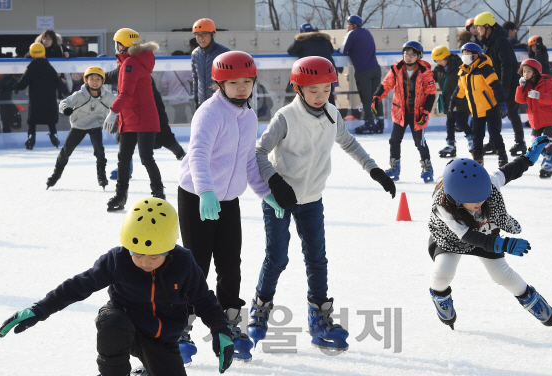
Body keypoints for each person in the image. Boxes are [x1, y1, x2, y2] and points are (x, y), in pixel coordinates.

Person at [247, 56, 396, 353]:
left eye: (326, 89)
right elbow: (259, 152)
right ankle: (261, 306)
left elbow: (349, 143)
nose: (320, 96)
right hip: (279, 199)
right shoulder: (286, 117)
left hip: (312, 199)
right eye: (313, 90)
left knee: (317, 258)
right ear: (298, 88)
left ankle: (319, 315)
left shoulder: (331, 113)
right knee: (277, 258)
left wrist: (374, 169)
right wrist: (275, 182)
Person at [0, 197, 235, 376]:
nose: (144, 262)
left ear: (169, 248)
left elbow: (204, 300)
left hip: (161, 339)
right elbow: (79, 286)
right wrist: (40, 309)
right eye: (138, 254)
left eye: (154, 257)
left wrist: (220, 329)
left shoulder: (183, 262)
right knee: (112, 322)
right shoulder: (118, 260)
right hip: (124, 325)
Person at [177, 51, 279, 362]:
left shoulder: (248, 116)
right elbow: (197, 155)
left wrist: (266, 193)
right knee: (196, 265)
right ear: (220, 83)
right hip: (197, 197)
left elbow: (249, 160)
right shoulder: (209, 113)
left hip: (229, 200)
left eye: (247, 82)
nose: (241, 88)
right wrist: (206, 192)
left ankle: (230, 325)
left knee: (230, 264)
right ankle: (181, 327)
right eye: (233, 82)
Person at [427, 143, 552, 331]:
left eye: (483, 196)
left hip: (485, 231)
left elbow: (509, 171)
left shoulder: (487, 183)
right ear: (456, 198)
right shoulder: (443, 206)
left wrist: (528, 158)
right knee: (442, 274)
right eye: (474, 200)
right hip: (452, 239)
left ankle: (532, 300)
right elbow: (467, 236)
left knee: (502, 275)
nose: (480, 202)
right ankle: (440, 296)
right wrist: (503, 244)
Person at [102, 28, 166, 212]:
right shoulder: (127, 63)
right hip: (130, 117)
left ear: (122, 44)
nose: (115, 46)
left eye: (116, 43)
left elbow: (126, 94)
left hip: (143, 118)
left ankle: (159, 195)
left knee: (146, 158)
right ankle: (120, 196)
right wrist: (119, 117)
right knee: (123, 158)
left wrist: (113, 112)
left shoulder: (131, 63)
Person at [372, 41, 437, 183]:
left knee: (420, 142)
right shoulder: (397, 69)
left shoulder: (425, 72)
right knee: (394, 140)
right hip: (400, 113)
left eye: (412, 54)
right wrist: (376, 98)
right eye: (406, 53)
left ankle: (427, 168)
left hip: (417, 114)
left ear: (419, 56)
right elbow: (386, 84)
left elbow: (431, 94)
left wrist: (425, 112)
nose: (408, 57)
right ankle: (394, 168)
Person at [45, 67, 116, 190]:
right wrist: (66, 109)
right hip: (78, 126)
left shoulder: (108, 96)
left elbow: (121, 104)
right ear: (86, 80)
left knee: (100, 151)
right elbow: (63, 103)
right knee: (66, 151)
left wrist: (116, 120)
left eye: (98, 79)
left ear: (102, 81)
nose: (95, 81)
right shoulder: (79, 95)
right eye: (92, 79)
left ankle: (102, 177)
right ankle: (55, 176)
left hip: (96, 126)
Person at [475, 12, 527, 157]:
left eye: (479, 27)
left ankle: (520, 142)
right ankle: (493, 142)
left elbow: (507, 64)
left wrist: (504, 88)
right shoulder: (491, 40)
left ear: (487, 26)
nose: (478, 30)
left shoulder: (500, 41)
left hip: (508, 83)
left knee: (511, 112)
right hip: (497, 83)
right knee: (495, 113)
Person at [450, 43, 508, 167]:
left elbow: (496, 87)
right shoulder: (463, 72)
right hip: (476, 110)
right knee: (477, 136)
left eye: (468, 54)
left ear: (476, 55)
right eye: (463, 53)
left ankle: (502, 156)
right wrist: (452, 103)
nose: (465, 56)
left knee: (494, 134)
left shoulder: (485, 69)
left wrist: (502, 103)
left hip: (490, 108)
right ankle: (478, 160)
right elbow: (460, 90)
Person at [338, 15, 384, 134]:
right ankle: (380, 122)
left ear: (354, 25)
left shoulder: (352, 34)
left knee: (366, 98)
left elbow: (343, 50)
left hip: (363, 71)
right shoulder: (367, 32)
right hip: (376, 69)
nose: (347, 27)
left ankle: (369, 123)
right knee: (376, 97)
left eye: (348, 24)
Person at [514, 59, 552, 178]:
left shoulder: (546, 83)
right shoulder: (527, 84)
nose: (526, 74)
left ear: (536, 72)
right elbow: (520, 100)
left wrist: (540, 96)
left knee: (546, 140)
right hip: (535, 118)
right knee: (534, 141)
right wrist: (521, 86)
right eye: (524, 72)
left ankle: (549, 161)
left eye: (529, 71)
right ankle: (545, 156)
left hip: (549, 117)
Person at [13, 42, 61, 150]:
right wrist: (64, 91)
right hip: (50, 99)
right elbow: (57, 82)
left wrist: (15, 87)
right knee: (50, 118)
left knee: (33, 119)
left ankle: (31, 136)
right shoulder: (49, 67)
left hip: (36, 99)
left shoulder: (31, 68)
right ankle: (54, 135)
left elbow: (23, 82)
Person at [431, 45, 474, 159]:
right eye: (437, 60)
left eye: (441, 60)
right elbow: (431, 78)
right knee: (449, 123)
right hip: (448, 102)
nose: (439, 62)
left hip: (462, 101)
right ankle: (450, 144)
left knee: (461, 123)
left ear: (447, 57)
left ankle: (472, 139)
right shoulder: (438, 69)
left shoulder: (459, 66)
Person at [287, 22, 337, 105]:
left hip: (311, 72)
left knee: (311, 94)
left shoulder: (301, 39)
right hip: (328, 71)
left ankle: (311, 115)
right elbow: (331, 50)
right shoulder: (324, 39)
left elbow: (291, 51)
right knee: (327, 94)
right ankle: (332, 115)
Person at [191, 18, 230, 109]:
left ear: (212, 34)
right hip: (202, 102)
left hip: (221, 101)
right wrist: (196, 99)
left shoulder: (223, 52)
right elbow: (195, 78)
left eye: (204, 34)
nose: (201, 38)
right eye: (198, 35)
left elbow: (231, 78)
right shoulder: (195, 54)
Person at [160, 51, 193, 124]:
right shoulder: (185, 70)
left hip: (172, 98)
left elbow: (163, 84)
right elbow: (193, 78)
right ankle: (180, 130)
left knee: (179, 115)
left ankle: (178, 129)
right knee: (181, 116)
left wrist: (166, 95)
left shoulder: (168, 71)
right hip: (183, 98)